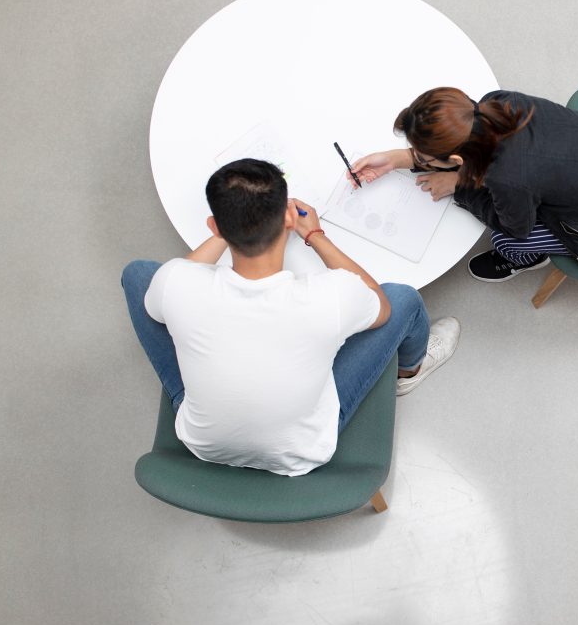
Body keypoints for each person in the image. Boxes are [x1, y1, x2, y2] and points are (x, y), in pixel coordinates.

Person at [121, 158, 459, 477]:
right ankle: (409, 371)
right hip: (302, 447)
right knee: (404, 298)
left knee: (140, 276)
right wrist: (315, 235)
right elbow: (382, 305)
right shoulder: (331, 296)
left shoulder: (177, 281)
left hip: (203, 441)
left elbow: (174, 278)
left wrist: (229, 226)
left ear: (213, 227)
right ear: (288, 218)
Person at [348, 87, 578, 282]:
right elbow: (485, 155)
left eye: (421, 154)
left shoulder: (508, 179)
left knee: (506, 240)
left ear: (456, 163)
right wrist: (399, 158)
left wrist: (460, 187)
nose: (416, 156)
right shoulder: (498, 101)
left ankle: (526, 262)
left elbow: (517, 226)